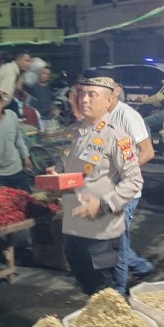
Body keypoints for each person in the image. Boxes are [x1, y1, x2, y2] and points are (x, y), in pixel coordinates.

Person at [51, 75, 143, 295]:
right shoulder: (73, 132)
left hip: (102, 230)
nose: (85, 100)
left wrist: (103, 204)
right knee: (85, 284)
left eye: (93, 95)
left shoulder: (116, 137)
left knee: (106, 292)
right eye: (82, 94)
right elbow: (66, 168)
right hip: (74, 226)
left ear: (108, 101)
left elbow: (134, 180)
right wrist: (55, 175)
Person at [107, 84, 155, 291]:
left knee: (116, 241)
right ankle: (140, 265)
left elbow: (147, 152)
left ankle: (117, 292)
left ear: (116, 90)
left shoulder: (128, 116)